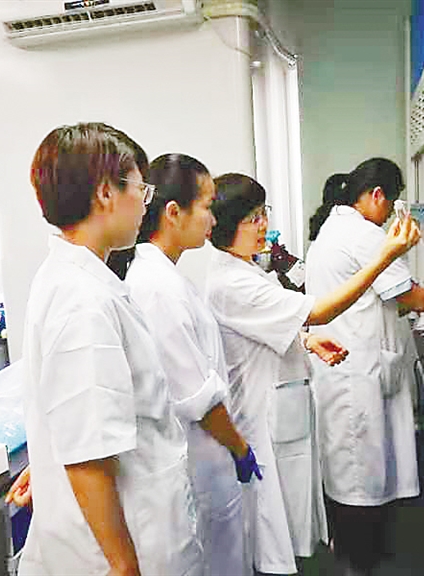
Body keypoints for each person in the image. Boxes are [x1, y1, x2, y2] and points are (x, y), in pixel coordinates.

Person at [206, 173, 420, 575]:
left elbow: (268, 323)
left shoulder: (247, 270)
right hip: (263, 421)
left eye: (263, 213)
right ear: (225, 224)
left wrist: (305, 340)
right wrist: (384, 259)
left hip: (285, 411)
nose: (263, 225)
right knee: (274, 535)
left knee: (294, 525)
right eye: (252, 218)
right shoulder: (230, 282)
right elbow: (318, 310)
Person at [17, 123, 201, 576]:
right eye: (140, 188)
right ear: (105, 192)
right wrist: (123, 566)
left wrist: (45, 462)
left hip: (137, 520)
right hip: (117, 550)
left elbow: (75, 416)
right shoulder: (82, 299)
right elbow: (87, 453)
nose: (145, 202)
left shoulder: (79, 279)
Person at [124, 153, 259, 576]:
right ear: (172, 213)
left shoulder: (168, 278)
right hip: (198, 461)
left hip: (206, 459)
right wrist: (240, 447)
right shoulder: (156, 288)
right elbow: (197, 399)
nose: (213, 220)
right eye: (206, 206)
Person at [306, 158, 424, 576]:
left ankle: (353, 557)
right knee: (362, 478)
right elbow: (410, 297)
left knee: (352, 473)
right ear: (378, 195)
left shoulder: (334, 227)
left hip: (342, 369)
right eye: (391, 204)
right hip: (356, 373)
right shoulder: (364, 234)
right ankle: (360, 564)